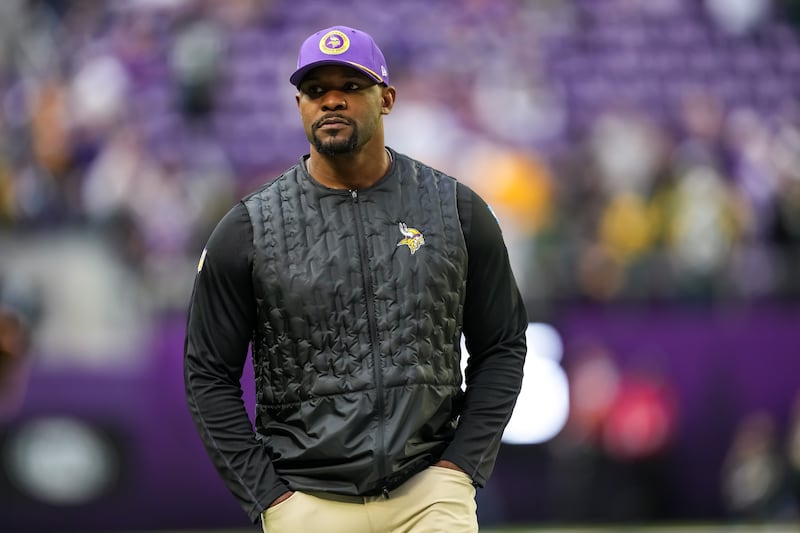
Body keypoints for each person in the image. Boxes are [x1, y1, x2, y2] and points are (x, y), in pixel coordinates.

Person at [184, 25, 527, 533]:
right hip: (307, 501)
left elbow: (501, 344)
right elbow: (208, 376)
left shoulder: (455, 209)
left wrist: (461, 468)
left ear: (386, 98)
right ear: (299, 104)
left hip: (428, 493)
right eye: (317, 91)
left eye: (351, 86)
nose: (333, 102)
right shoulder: (247, 229)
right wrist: (270, 499)